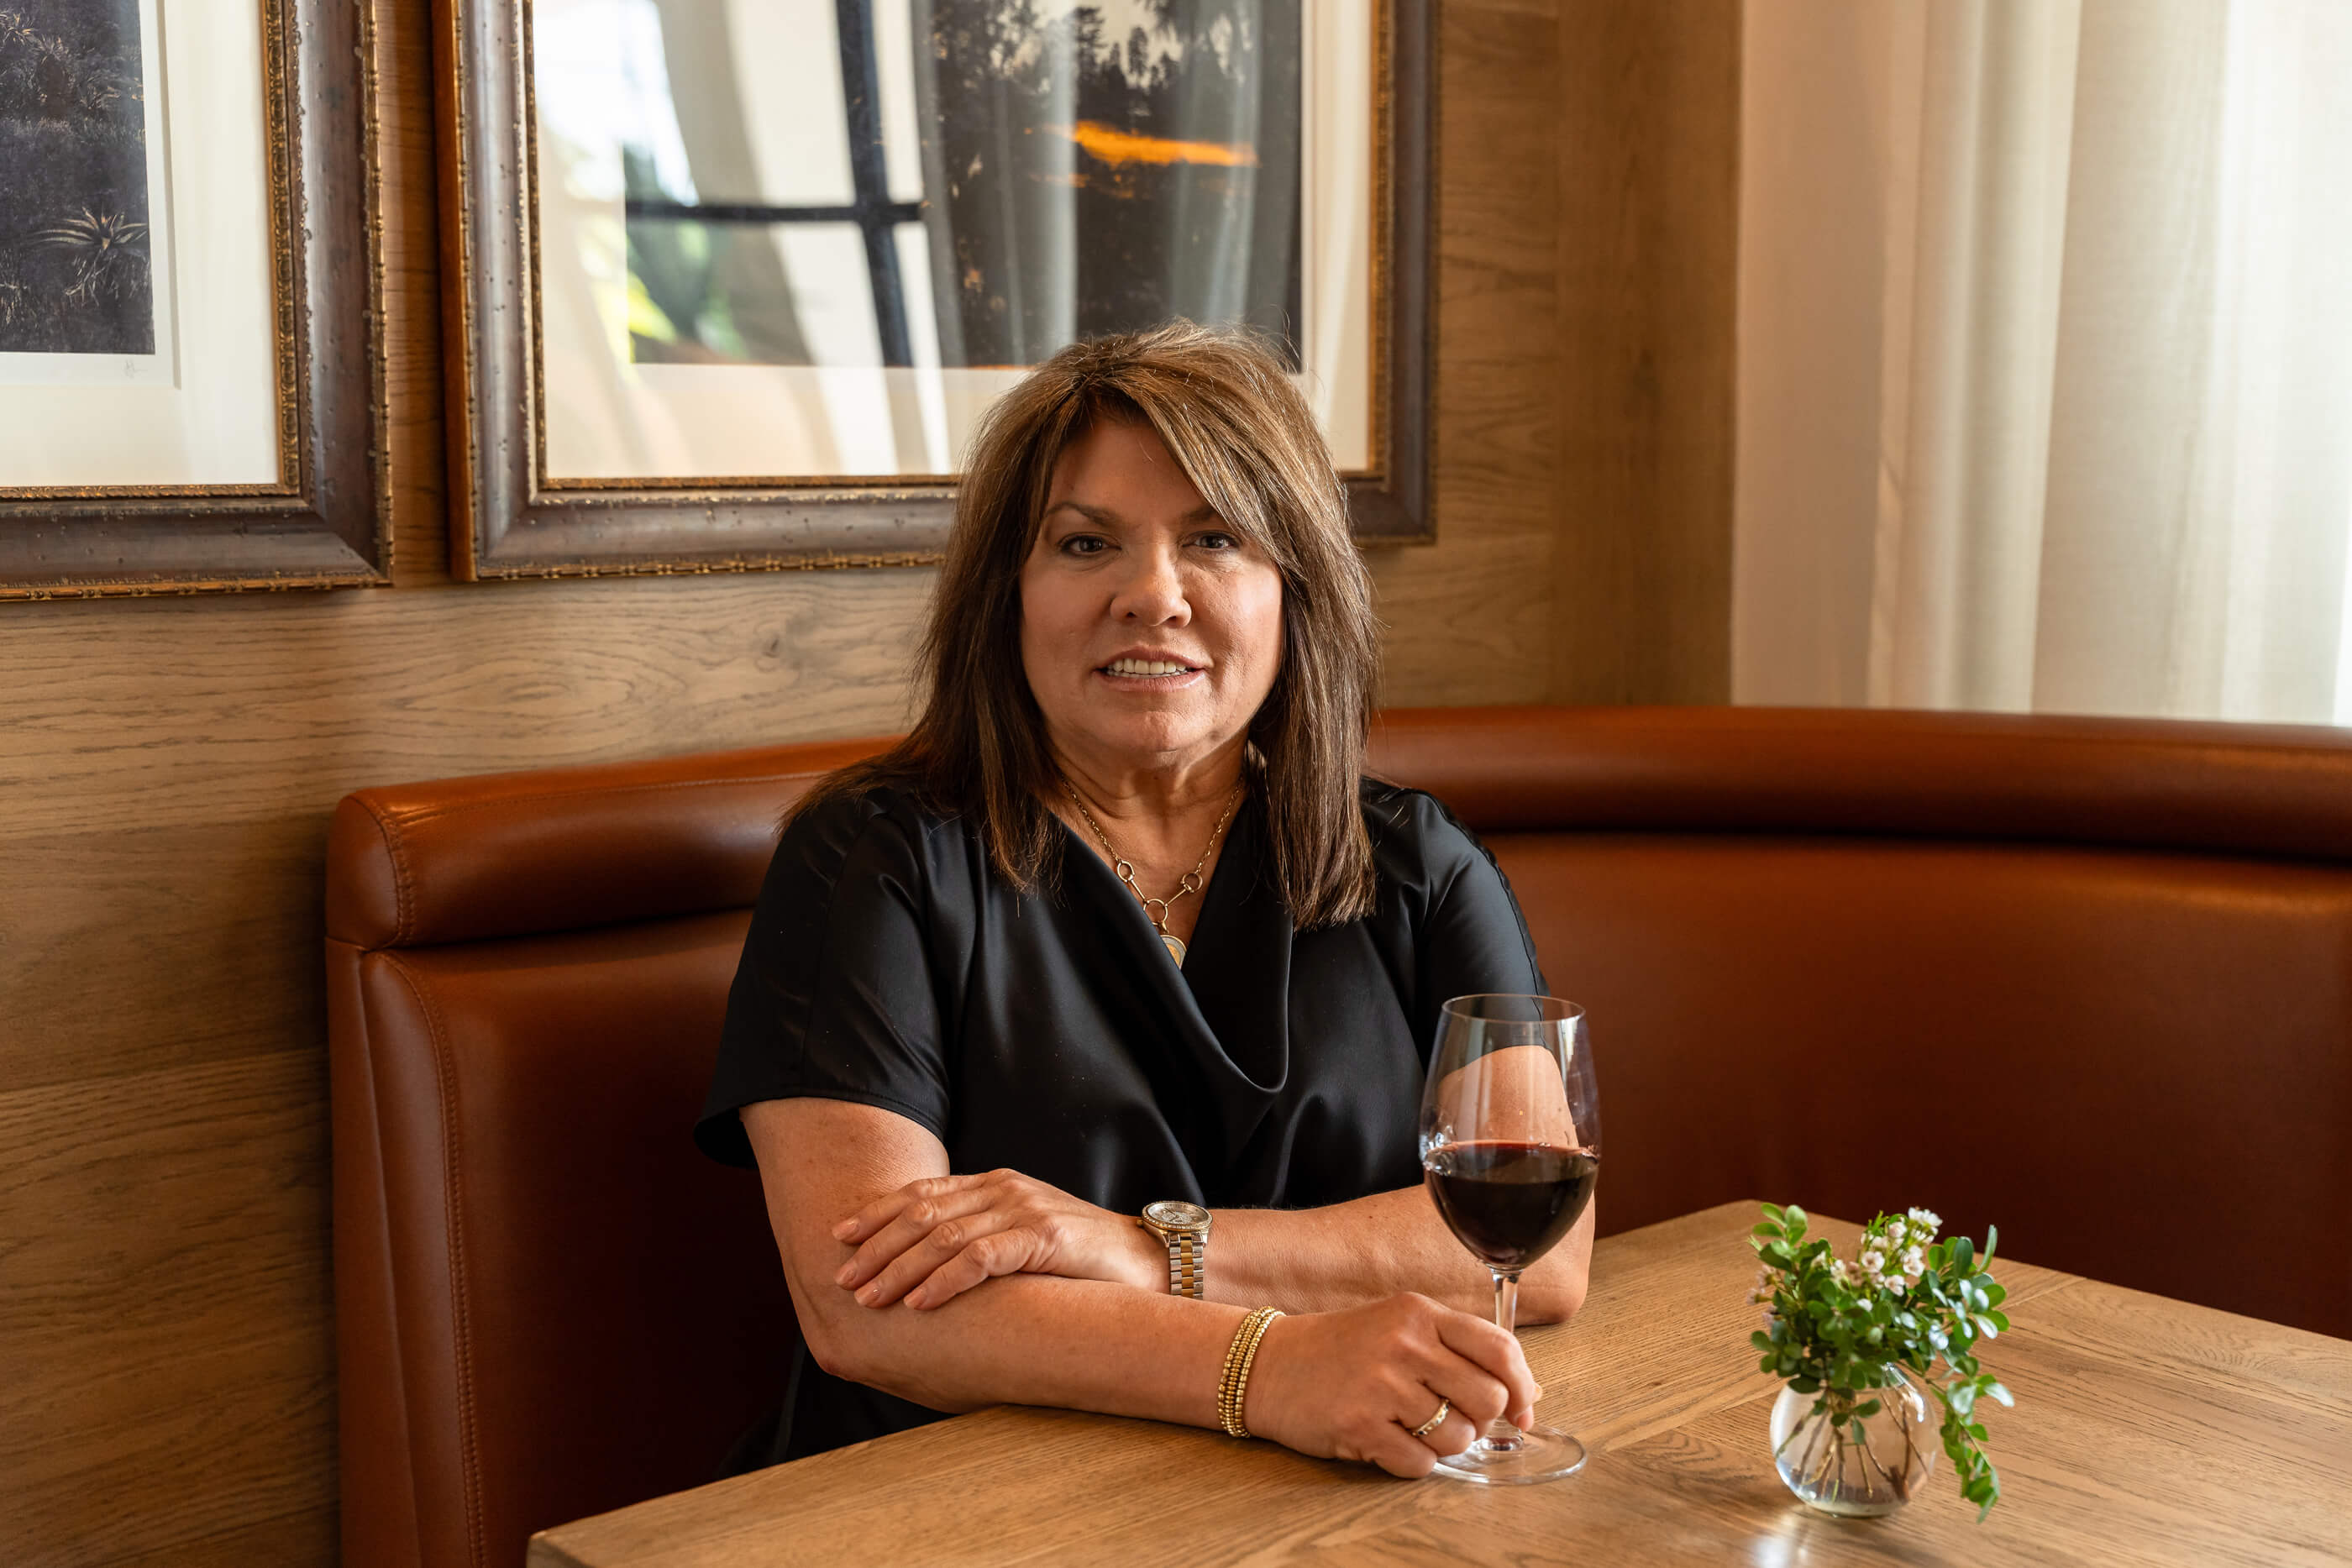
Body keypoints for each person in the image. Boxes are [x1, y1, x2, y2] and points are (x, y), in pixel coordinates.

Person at [696, 321, 1593, 1477]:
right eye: (1084, 545)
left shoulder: (1417, 865)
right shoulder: (871, 863)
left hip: (1329, 1503)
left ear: (1292, 591)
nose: (1151, 596)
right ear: (1006, 597)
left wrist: (1147, 1249)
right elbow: (866, 1309)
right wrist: (1271, 1369)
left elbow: (1536, 1254)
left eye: (1214, 538)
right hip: (958, 1514)